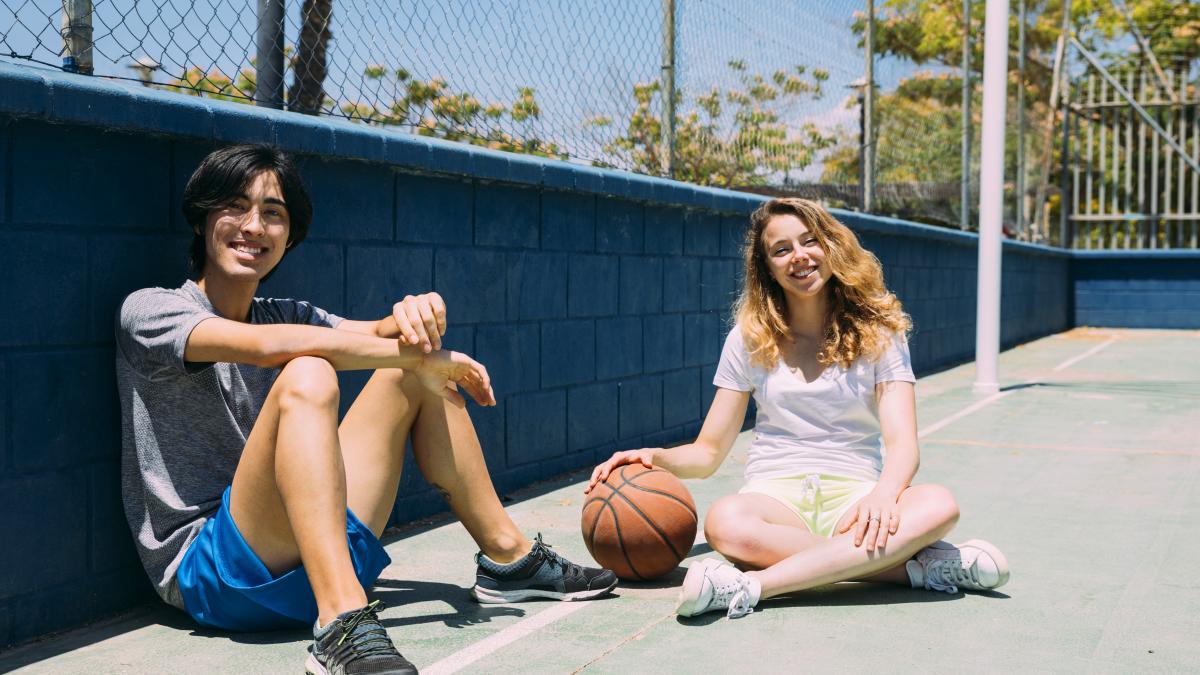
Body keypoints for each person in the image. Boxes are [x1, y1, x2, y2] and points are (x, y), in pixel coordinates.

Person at [116, 144, 616, 675]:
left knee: (413, 372)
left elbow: (381, 336)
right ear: (202, 218)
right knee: (310, 369)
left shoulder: (288, 314)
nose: (254, 226)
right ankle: (340, 623)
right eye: (235, 206)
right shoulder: (150, 310)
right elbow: (266, 348)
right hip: (216, 576)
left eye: (274, 213)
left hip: (311, 556)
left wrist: (418, 314)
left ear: (290, 236)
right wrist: (434, 357)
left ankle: (508, 559)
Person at [587, 198, 1009, 619]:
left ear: (831, 246)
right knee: (724, 522)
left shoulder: (880, 334)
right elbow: (708, 452)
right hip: (776, 496)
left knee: (939, 505)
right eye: (782, 249)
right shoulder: (748, 339)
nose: (799, 257)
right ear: (766, 266)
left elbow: (903, 446)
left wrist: (882, 496)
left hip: (856, 496)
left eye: (810, 241)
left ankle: (751, 586)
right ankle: (916, 568)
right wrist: (655, 458)